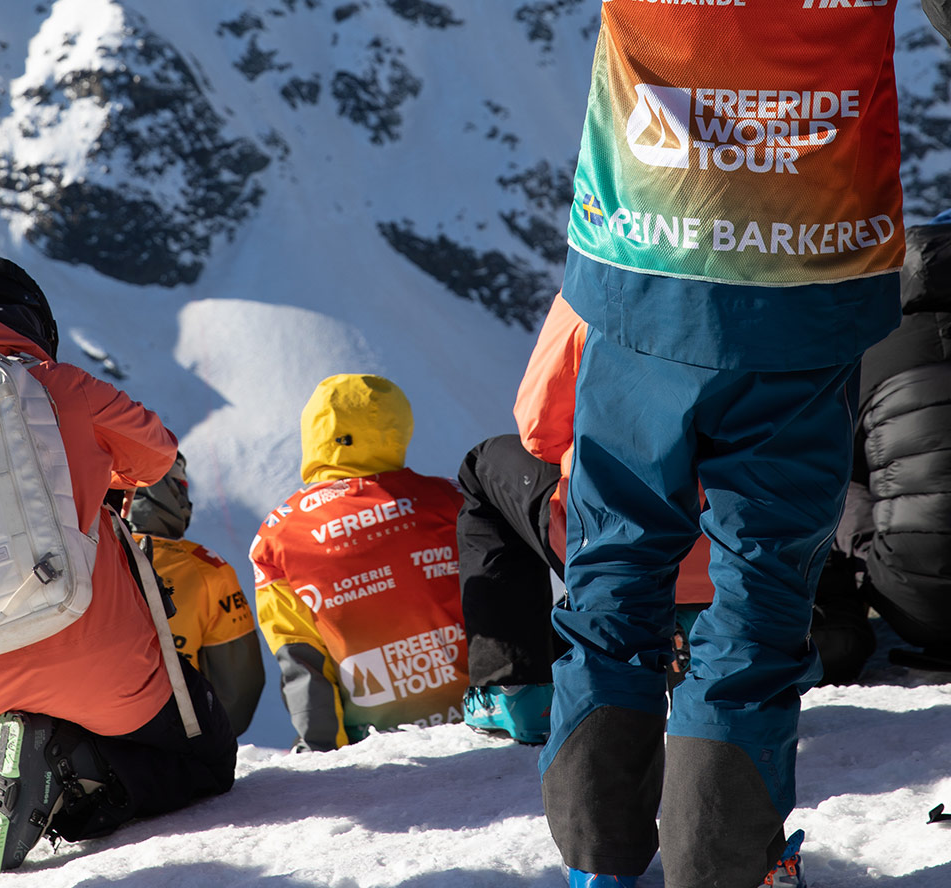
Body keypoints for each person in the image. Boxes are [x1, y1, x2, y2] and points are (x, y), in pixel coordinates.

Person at [530, 0, 949, 888]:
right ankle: (714, 887)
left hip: (642, 287)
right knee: (761, 592)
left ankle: (601, 881)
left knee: (614, 574)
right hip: (805, 290)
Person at [0, 255, 235, 872]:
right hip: (99, 664)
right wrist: (97, 470)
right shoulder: (61, 385)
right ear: (34, 323)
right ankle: (70, 764)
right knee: (203, 762)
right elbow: (156, 458)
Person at [458, 294, 714, 746]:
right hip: (741, 547)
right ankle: (700, 634)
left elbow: (539, 429)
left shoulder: (602, 283)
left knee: (484, 466)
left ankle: (518, 691)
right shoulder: (776, 271)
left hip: (619, 543)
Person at [250, 373, 467, 749]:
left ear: (315, 434)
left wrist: (324, 753)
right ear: (397, 426)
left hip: (369, 745)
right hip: (479, 725)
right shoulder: (453, 500)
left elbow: (301, 659)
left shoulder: (278, 534)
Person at [828, 215, 951, 672]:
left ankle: (830, 617)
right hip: (916, 598)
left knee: (837, 476)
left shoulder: (872, 338)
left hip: (916, 604)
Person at [126, 451, 266, 736]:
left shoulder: (81, 559)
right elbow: (237, 688)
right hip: (180, 749)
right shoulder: (209, 570)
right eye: (182, 487)